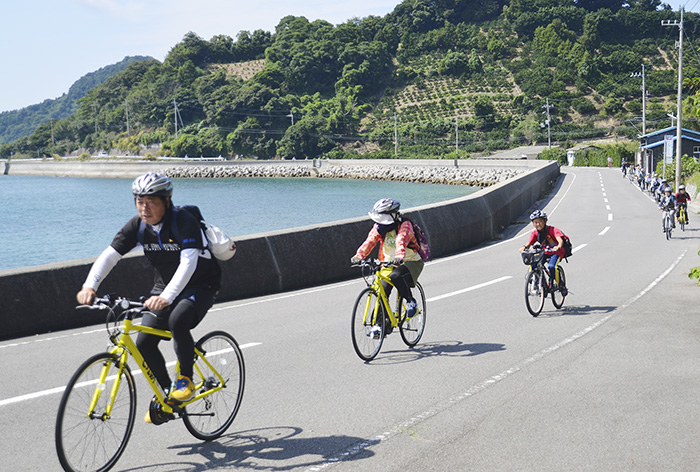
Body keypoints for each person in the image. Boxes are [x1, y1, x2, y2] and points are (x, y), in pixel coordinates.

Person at [76, 172, 221, 423]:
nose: (145, 208)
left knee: (178, 320)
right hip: (163, 288)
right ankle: (168, 397)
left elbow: (188, 263)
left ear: (167, 200)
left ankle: (184, 380)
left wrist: (167, 297)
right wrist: (90, 286)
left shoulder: (183, 221)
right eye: (140, 201)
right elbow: (110, 256)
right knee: (143, 343)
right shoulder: (138, 226)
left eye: (151, 202)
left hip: (200, 285)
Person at [350, 198, 424, 338]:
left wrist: (399, 257)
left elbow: (400, 241)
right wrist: (359, 255)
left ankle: (410, 302)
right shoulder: (379, 227)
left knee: (396, 276)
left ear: (393, 214)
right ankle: (380, 324)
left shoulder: (405, 225)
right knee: (381, 291)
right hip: (388, 262)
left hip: (410, 261)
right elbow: (370, 241)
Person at [519, 210, 567, 295]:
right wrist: (524, 247)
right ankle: (537, 283)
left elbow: (560, 239)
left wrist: (559, 246)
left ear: (545, 221)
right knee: (533, 264)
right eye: (535, 222)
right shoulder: (535, 233)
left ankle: (561, 285)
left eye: (540, 221)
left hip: (556, 252)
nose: (538, 224)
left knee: (552, 267)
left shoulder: (553, 230)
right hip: (545, 252)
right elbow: (529, 244)